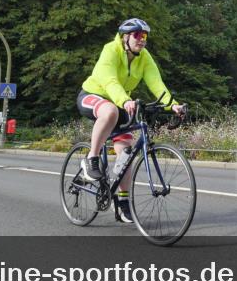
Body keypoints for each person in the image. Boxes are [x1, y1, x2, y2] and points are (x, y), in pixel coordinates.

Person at [77, 18, 186, 224]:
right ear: (125, 37)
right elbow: (109, 81)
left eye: (145, 36)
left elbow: (157, 83)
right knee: (109, 111)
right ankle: (91, 158)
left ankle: (123, 203)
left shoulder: (144, 57)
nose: (142, 39)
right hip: (93, 96)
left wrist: (173, 105)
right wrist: (124, 100)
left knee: (126, 154)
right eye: (137, 35)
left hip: (121, 102)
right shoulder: (110, 50)